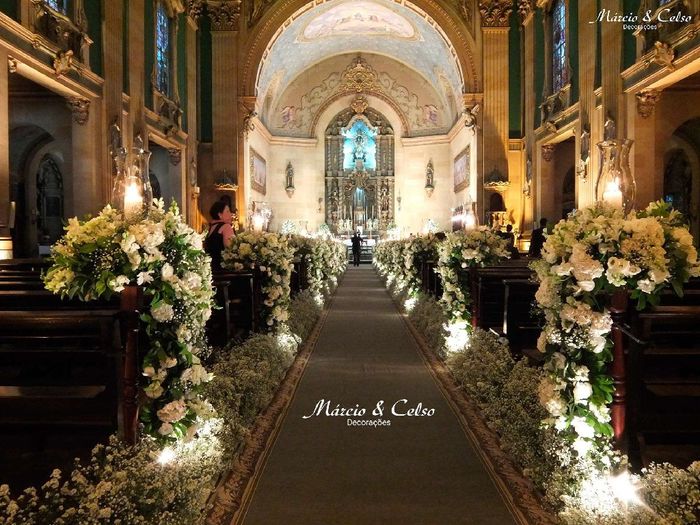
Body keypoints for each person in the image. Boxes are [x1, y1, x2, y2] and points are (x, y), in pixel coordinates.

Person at [204, 201, 235, 271]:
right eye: (228, 211)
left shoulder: (210, 228)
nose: (231, 214)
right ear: (220, 214)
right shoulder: (226, 227)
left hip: (211, 268)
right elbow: (231, 249)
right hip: (223, 269)